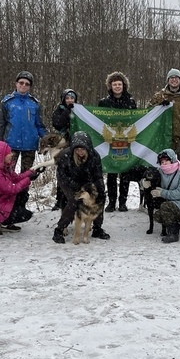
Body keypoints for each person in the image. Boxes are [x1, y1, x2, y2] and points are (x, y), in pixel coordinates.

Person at [52, 131, 110, 244]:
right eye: (77, 150)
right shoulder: (65, 156)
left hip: (86, 181)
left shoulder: (94, 156)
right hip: (68, 181)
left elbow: (98, 175)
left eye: (83, 149)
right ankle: (59, 229)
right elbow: (62, 175)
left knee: (99, 199)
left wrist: (100, 188)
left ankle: (97, 228)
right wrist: (74, 185)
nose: (80, 152)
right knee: (74, 201)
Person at [98, 71, 137, 212]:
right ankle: (111, 202)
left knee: (125, 172)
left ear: (124, 85)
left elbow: (136, 120)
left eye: (119, 84)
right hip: (110, 141)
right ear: (110, 86)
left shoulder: (131, 102)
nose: (117, 86)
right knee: (112, 172)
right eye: (114, 84)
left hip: (126, 141)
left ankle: (123, 202)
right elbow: (98, 121)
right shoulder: (104, 102)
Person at [0, 140, 40, 236]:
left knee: (23, 194)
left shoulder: (4, 168)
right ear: (0, 156)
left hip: (2, 202)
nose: (11, 154)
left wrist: (32, 172)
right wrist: (28, 179)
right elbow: (11, 189)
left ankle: (5, 222)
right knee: (24, 215)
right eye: (8, 153)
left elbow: (17, 178)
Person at [149, 69, 180, 178]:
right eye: (171, 78)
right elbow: (148, 113)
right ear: (167, 80)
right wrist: (160, 105)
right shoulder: (159, 96)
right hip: (164, 138)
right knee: (164, 166)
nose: (174, 80)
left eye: (176, 78)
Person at [0, 70, 48, 172]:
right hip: (11, 145)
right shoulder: (7, 102)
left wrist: (48, 138)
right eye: (21, 83)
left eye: (27, 84)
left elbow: (39, 125)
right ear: (16, 83)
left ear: (30, 87)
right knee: (7, 174)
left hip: (30, 145)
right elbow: (1, 124)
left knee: (26, 177)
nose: (23, 86)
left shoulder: (35, 104)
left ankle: (24, 189)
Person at [151, 148, 180, 243]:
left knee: (165, 207)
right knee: (157, 216)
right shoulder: (160, 171)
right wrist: (145, 183)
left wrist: (162, 193)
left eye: (166, 160)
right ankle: (176, 223)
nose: (164, 163)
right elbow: (151, 177)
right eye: (162, 161)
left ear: (172, 159)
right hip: (172, 202)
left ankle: (173, 233)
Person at [50, 88, 78, 210]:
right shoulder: (59, 111)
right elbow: (58, 124)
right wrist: (67, 111)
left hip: (76, 145)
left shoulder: (79, 110)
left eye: (72, 98)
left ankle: (73, 198)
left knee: (75, 172)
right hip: (63, 145)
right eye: (67, 98)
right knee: (62, 172)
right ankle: (59, 200)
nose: (70, 100)